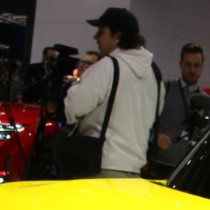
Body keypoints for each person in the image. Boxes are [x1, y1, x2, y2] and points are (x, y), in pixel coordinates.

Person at [64, 7, 163, 178]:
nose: (96, 37)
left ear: (118, 36)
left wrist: (74, 87)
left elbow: (74, 109)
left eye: (101, 31)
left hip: (100, 165)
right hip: (135, 169)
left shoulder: (108, 66)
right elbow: (154, 115)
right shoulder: (155, 73)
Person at [148, 42, 210, 177]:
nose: (192, 70)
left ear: (202, 67)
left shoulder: (209, 103)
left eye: (196, 65)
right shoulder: (164, 89)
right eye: (188, 64)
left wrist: (202, 125)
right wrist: (154, 136)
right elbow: (144, 120)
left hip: (189, 168)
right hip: (159, 163)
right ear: (180, 64)